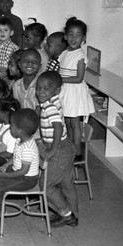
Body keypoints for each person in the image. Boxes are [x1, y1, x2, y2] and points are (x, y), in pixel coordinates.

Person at [35, 71, 78, 227]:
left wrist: (52, 150)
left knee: (45, 185)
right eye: (38, 88)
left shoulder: (49, 106)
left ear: (57, 90)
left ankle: (66, 214)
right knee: (67, 184)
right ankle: (74, 214)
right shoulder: (52, 100)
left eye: (46, 88)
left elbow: (58, 127)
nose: (40, 92)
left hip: (59, 149)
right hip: (66, 147)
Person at [58, 17, 95, 159]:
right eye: (71, 35)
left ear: (84, 38)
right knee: (66, 122)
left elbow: (79, 78)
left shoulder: (80, 56)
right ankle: (70, 146)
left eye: (78, 35)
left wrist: (60, 79)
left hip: (74, 92)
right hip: (64, 91)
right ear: (66, 36)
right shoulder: (65, 53)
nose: (74, 38)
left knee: (75, 123)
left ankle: (78, 151)